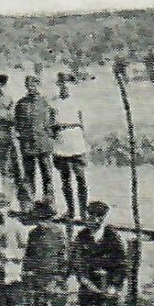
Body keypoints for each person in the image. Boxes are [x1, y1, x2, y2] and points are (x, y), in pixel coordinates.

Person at [71, 200, 129, 306]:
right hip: (89, 287)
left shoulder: (113, 237)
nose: (95, 220)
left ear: (104, 218)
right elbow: (77, 263)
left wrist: (114, 286)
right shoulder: (81, 237)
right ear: (86, 217)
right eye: (91, 216)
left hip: (110, 287)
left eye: (99, 217)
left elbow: (122, 265)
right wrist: (87, 283)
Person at [20, 199, 71, 306]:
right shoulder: (33, 234)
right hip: (34, 280)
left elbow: (65, 260)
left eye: (44, 219)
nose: (41, 223)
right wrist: (26, 273)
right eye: (38, 219)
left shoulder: (58, 234)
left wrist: (59, 279)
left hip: (52, 280)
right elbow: (28, 257)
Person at [13, 75, 56, 209]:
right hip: (27, 143)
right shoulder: (21, 103)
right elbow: (17, 123)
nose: (31, 87)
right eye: (28, 85)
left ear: (38, 85)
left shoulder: (45, 102)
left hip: (43, 143)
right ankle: (29, 202)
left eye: (33, 84)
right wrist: (23, 136)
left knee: (47, 174)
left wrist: (48, 136)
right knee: (28, 173)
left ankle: (49, 201)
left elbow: (51, 121)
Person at [51, 72, 89, 219]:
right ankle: (71, 210)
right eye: (61, 84)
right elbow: (52, 123)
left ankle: (84, 211)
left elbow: (82, 122)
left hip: (76, 140)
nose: (64, 87)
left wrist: (82, 139)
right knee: (65, 178)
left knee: (80, 177)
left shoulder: (78, 101)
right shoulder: (54, 102)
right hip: (61, 140)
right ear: (59, 86)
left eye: (67, 84)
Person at [0, 74, 25, 206]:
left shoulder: (10, 98)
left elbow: (12, 117)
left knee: (12, 166)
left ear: (4, 85)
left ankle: (14, 196)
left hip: (9, 135)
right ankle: (0, 195)